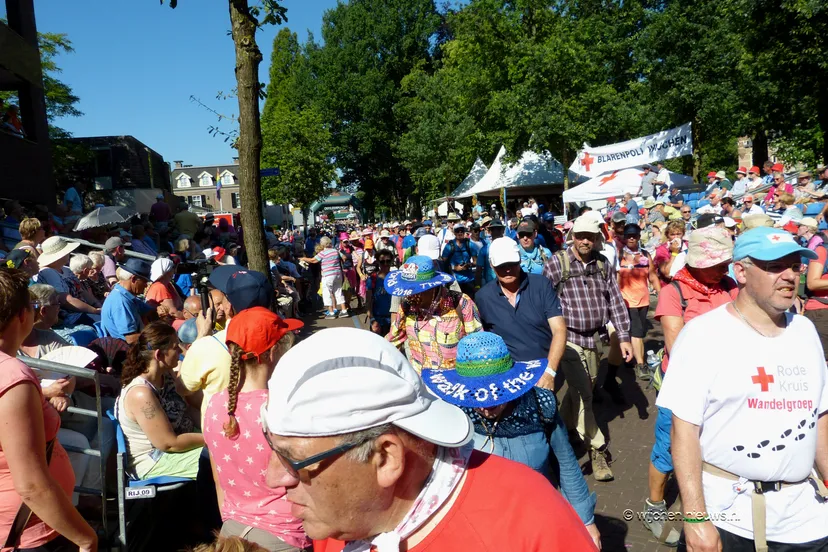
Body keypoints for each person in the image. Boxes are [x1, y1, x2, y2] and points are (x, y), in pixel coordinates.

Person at [263, 327, 597, 552]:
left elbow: (566, 463)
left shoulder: (530, 520)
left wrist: (585, 519)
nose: (271, 479)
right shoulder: (335, 526)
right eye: (272, 450)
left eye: (294, 460)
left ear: (386, 457)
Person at [657, 227, 828, 551]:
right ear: (741, 271)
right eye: (775, 266)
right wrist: (694, 519)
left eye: (794, 265)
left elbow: (819, 418)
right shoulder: (702, 335)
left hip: (805, 520)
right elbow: (684, 432)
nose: (790, 276)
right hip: (728, 517)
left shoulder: (805, 331)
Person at [422, 331, 600, 549]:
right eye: (475, 392)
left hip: (538, 521)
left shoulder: (539, 405)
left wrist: (587, 522)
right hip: (484, 533)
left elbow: (567, 465)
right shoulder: (453, 417)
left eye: (495, 391)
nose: (486, 404)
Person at [641, 226, 737, 546]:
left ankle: (701, 498)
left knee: (711, 446)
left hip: (725, 385)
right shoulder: (674, 292)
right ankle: (654, 505)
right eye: (719, 263)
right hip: (684, 386)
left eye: (727, 262)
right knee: (669, 450)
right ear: (697, 262)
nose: (725, 269)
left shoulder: (731, 286)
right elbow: (676, 347)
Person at [0, 268, 98, 552]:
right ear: (22, 315)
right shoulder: (12, 377)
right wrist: (85, 538)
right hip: (28, 532)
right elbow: (31, 485)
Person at [202, 307, 309, 550]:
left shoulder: (216, 404)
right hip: (284, 533)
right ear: (273, 353)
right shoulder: (280, 408)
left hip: (232, 530)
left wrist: (228, 521)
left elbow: (218, 478)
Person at [542, 214, 633, 482]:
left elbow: (615, 299)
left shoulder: (602, 264)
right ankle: (598, 448)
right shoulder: (557, 263)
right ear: (572, 236)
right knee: (585, 394)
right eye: (580, 235)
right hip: (567, 339)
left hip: (595, 339)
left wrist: (624, 335)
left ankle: (564, 427)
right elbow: (544, 301)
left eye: (590, 236)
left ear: (596, 239)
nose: (584, 240)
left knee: (586, 388)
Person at [178, 267, 274, 424]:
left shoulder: (205, 347)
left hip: (221, 435)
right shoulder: (285, 340)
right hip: (269, 431)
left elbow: (183, 387)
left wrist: (201, 336)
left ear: (228, 306)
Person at [474, 237, 565, 392]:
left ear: (519, 260)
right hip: (508, 380)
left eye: (512, 264)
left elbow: (559, 330)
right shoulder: (483, 297)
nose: (507, 269)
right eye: (502, 265)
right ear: (491, 265)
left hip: (545, 372)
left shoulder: (541, 285)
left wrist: (550, 371)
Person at [116, 322, 204, 480]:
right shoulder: (141, 394)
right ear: (159, 355)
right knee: (220, 456)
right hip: (155, 459)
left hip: (182, 441)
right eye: (175, 347)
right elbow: (169, 443)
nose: (180, 351)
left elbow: (187, 409)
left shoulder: (166, 374)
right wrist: (212, 438)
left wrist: (211, 428)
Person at [386, 255, 482, 373]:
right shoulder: (406, 306)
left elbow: (478, 346)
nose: (409, 293)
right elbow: (392, 340)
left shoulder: (461, 303)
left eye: (415, 289)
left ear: (432, 286)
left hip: (455, 383)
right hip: (421, 385)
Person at [617, 224, 661, 380]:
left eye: (634, 235)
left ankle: (628, 357)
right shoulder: (619, 255)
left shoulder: (645, 255)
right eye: (628, 235)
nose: (631, 238)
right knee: (636, 333)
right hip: (626, 301)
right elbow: (615, 279)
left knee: (638, 332)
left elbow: (653, 276)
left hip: (644, 300)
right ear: (624, 237)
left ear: (638, 236)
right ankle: (641, 365)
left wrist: (661, 295)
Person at [36, 236, 101, 320]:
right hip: (69, 316)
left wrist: (97, 304)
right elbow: (66, 300)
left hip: (84, 311)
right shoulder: (48, 272)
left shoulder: (66, 269)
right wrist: (95, 311)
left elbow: (82, 291)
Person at [99, 258, 155, 343]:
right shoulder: (121, 301)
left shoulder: (127, 295)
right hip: (126, 350)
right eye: (144, 281)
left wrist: (160, 310)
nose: (145, 286)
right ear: (133, 279)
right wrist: (156, 336)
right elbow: (131, 339)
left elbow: (150, 311)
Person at [299, 236, 348, 319]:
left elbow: (313, 260)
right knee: (338, 291)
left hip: (328, 275)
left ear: (323, 244)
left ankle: (331, 312)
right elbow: (344, 257)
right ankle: (344, 310)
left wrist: (303, 258)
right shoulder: (335, 251)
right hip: (338, 273)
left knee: (327, 293)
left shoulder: (323, 253)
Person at [440, 222, 478, 297]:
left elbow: (476, 261)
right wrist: (455, 268)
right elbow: (443, 263)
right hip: (454, 281)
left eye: (462, 230)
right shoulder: (449, 246)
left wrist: (469, 265)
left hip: (469, 280)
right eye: (457, 231)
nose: (460, 232)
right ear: (454, 232)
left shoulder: (470, 244)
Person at [364, 249, 394, 335]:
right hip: (378, 320)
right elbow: (368, 301)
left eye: (388, 261)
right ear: (377, 262)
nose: (385, 264)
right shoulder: (372, 279)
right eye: (382, 261)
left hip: (393, 320)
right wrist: (372, 320)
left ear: (391, 261)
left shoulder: (396, 278)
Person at [145, 257, 185, 321]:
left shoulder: (168, 285)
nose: (174, 271)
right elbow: (173, 313)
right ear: (166, 270)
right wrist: (190, 316)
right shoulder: (159, 287)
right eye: (172, 268)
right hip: (169, 322)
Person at [654, 220, 687, 285]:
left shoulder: (688, 245)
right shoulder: (662, 249)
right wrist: (674, 253)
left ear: (683, 234)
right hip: (670, 285)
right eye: (672, 235)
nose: (676, 237)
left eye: (678, 234)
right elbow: (667, 273)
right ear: (667, 236)